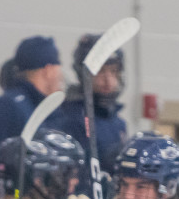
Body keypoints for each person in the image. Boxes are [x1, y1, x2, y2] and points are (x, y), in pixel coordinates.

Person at [0, 36, 63, 160]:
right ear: (48, 70)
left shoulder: (45, 110)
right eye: (59, 66)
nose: (60, 75)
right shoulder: (5, 108)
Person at [50, 33, 127, 175]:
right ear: (83, 73)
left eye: (113, 71)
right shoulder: (69, 118)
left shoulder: (118, 123)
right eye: (100, 71)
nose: (108, 80)